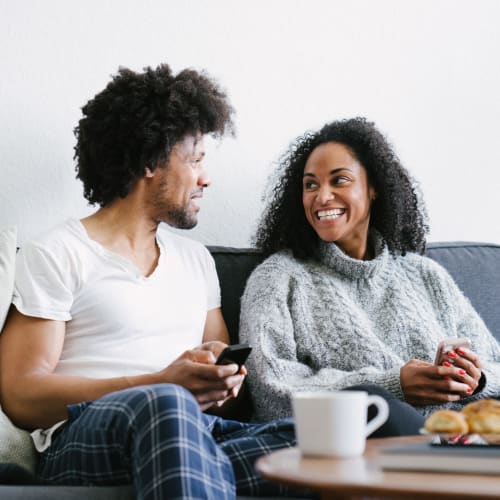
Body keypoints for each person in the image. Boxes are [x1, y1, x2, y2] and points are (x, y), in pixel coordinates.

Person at [0, 64, 297, 499]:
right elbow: (22, 395)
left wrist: (219, 378)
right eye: (195, 160)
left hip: (193, 431)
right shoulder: (58, 253)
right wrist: (161, 382)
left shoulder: (195, 261)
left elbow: (226, 395)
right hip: (86, 438)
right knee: (167, 405)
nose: (206, 177)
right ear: (149, 162)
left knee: (316, 444)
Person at [239, 117, 500, 426]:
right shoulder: (278, 279)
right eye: (311, 184)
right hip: (361, 445)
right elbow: (271, 392)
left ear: (373, 187)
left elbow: (494, 364)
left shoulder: (427, 275)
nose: (322, 197)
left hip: (460, 441)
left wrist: (477, 379)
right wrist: (393, 386)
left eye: (339, 180)